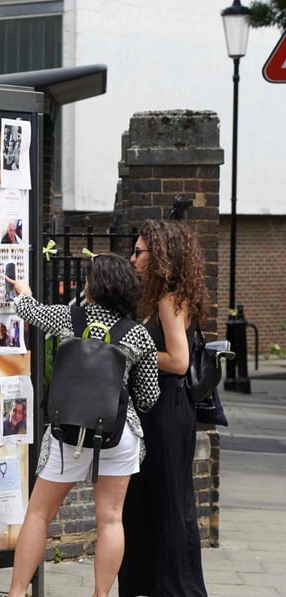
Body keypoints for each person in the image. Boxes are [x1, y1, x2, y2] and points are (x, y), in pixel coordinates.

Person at [3, 253, 159, 597]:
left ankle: (15, 593)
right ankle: (101, 595)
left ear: (93, 286)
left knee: (39, 514)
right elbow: (149, 398)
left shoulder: (67, 317)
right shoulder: (138, 335)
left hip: (68, 432)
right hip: (116, 434)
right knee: (111, 519)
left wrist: (23, 292)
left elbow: (29, 311)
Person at [119, 219, 211, 597]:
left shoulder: (169, 301)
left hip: (167, 412)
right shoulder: (161, 298)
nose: (133, 257)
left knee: (170, 499)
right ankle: (157, 584)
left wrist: (130, 349)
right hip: (158, 411)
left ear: (159, 256)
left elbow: (179, 361)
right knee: (156, 497)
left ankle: (175, 588)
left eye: (139, 251)